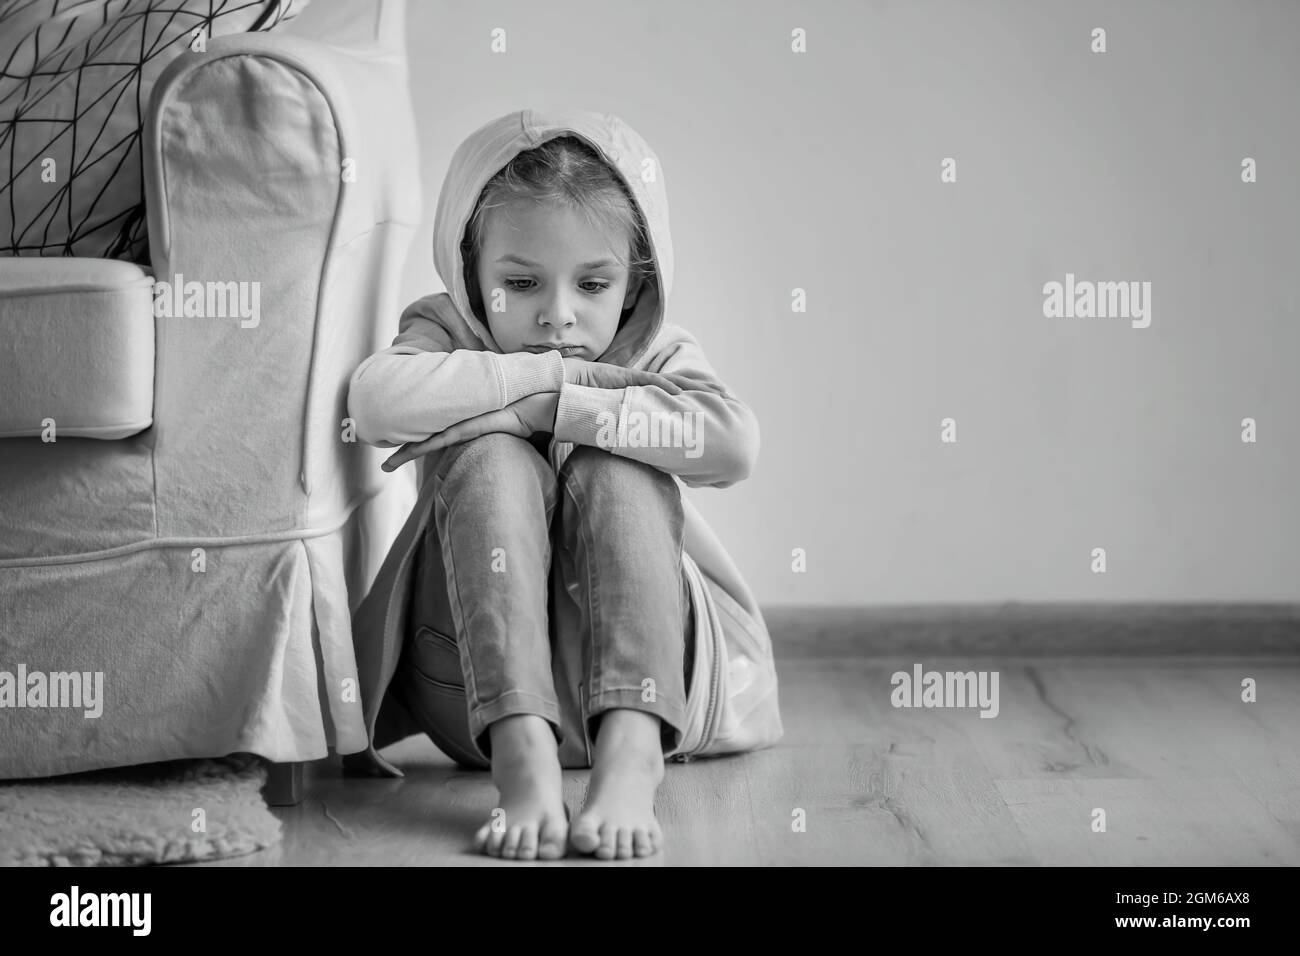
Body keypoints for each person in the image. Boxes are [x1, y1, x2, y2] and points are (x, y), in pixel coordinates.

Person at [346, 108, 775, 861]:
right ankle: (525, 758)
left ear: (634, 282)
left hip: (652, 688)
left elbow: (734, 444)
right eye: (520, 283)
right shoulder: (446, 331)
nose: (558, 316)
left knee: (615, 459)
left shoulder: (660, 349)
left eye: (593, 283)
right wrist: (552, 379)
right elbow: (376, 402)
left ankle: (632, 755)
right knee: (493, 460)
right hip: (476, 698)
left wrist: (565, 408)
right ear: (470, 273)